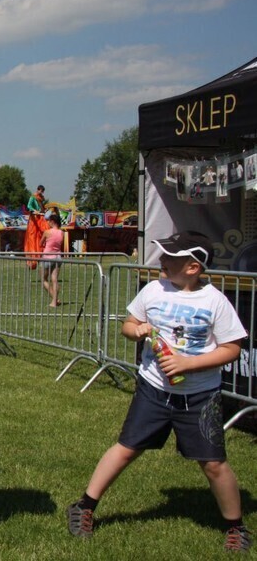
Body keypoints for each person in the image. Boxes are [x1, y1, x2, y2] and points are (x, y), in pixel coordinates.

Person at [66, 231, 251, 553]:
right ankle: (84, 506)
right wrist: (136, 330)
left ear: (193, 267)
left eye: (171, 256)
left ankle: (236, 527)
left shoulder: (214, 301)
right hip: (153, 389)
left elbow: (231, 348)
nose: (162, 259)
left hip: (200, 397)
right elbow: (128, 324)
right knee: (127, 448)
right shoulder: (153, 289)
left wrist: (187, 364)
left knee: (213, 463)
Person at [39, 214, 63, 307]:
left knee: (44, 279)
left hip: (47, 257)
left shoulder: (47, 232)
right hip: (58, 257)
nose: (48, 222)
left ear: (52, 221)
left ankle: (55, 300)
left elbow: (40, 243)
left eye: (48, 221)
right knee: (54, 280)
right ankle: (55, 301)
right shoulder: (61, 232)